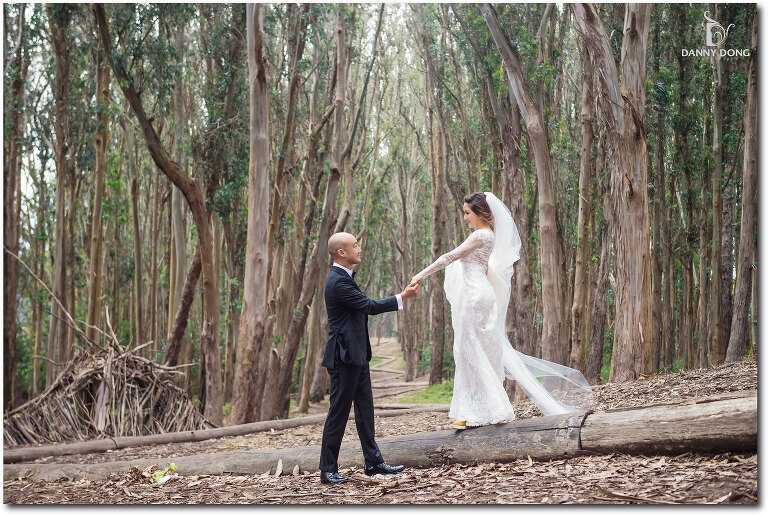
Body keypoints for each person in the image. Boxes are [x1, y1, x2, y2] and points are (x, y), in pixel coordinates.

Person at [409, 192, 594, 428]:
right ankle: (471, 410)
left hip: (475, 297)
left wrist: (420, 275)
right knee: (470, 351)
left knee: (468, 352)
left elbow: (450, 257)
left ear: (479, 213)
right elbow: (482, 267)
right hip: (481, 293)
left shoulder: (480, 235)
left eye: (467, 213)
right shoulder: (488, 236)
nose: (465, 217)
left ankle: (488, 408)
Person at [319, 231, 420, 485]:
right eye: (355, 245)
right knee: (338, 412)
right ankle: (328, 469)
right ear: (342, 252)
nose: (359, 248)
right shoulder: (338, 282)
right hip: (344, 356)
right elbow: (369, 306)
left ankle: (373, 462)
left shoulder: (345, 277)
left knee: (365, 409)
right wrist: (402, 297)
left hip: (358, 354)